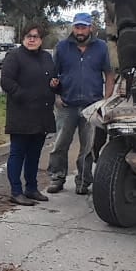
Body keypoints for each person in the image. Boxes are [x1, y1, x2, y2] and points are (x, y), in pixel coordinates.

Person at [47, 12, 115, 194]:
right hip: (66, 105)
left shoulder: (101, 47)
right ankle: (57, 177)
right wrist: (56, 96)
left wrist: (106, 101)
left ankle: (83, 181)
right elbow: (53, 74)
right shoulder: (62, 47)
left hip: (91, 107)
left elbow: (109, 75)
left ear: (90, 28)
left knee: (88, 147)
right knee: (60, 144)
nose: (80, 31)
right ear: (73, 28)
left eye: (83, 27)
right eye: (77, 27)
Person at [0, 23, 57, 206]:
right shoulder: (14, 56)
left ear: (41, 40)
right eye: (28, 36)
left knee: (35, 154)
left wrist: (56, 84)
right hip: (21, 114)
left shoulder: (47, 57)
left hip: (42, 114)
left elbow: (53, 79)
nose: (32, 39)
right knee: (18, 153)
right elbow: (6, 81)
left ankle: (31, 188)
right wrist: (26, 96)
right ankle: (16, 191)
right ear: (23, 38)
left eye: (36, 36)